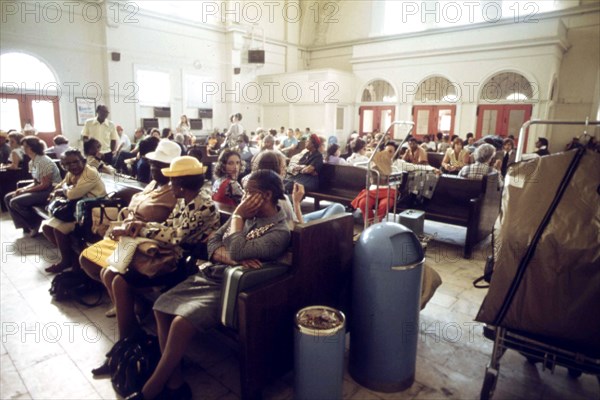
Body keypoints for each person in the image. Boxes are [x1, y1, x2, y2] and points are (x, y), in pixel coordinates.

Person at [125, 169, 291, 400]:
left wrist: (236, 219)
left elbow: (235, 247)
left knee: (181, 322)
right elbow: (212, 242)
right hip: (213, 275)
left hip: (234, 289)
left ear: (266, 195)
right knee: (160, 307)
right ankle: (175, 384)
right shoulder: (248, 217)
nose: (243, 199)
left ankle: (150, 391)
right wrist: (233, 257)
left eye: (249, 193)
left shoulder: (279, 232)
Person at [80, 139, 181, 285]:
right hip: (126, 235)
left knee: (111, 273)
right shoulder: (153, 184)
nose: (153, 168)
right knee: (87, 258)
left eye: (160, 165)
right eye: (153, 163)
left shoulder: (175, 191)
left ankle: (131, 301)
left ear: (173, 168)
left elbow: (172, 226)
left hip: (146, 243)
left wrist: (140, 226)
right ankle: (119, 295)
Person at [42, 149, 107, 273]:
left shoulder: (90, 173)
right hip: (77, 210)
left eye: (75, 162)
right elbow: (59, 186)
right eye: (67, 164)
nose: (72, 166)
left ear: (83, 161)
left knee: (58, 230)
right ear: (63, 165)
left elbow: (72, 194)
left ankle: (67, 261)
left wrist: (66, 188)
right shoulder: (71, 174)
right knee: (46, 227)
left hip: (92, 213)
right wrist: (64, 188)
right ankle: (72, 259)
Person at [4, 137, 62, 236]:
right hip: (41, 189)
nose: (23, 148)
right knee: (8, 197)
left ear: (32, 148)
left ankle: (34, 223)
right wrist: (24, 188)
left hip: (51, 190)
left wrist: (24, 191)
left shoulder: (44, 161)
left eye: (25, 146)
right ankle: (25, 226)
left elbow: (45, 184)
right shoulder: (32, 161)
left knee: (15, 201)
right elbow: (36, 182)